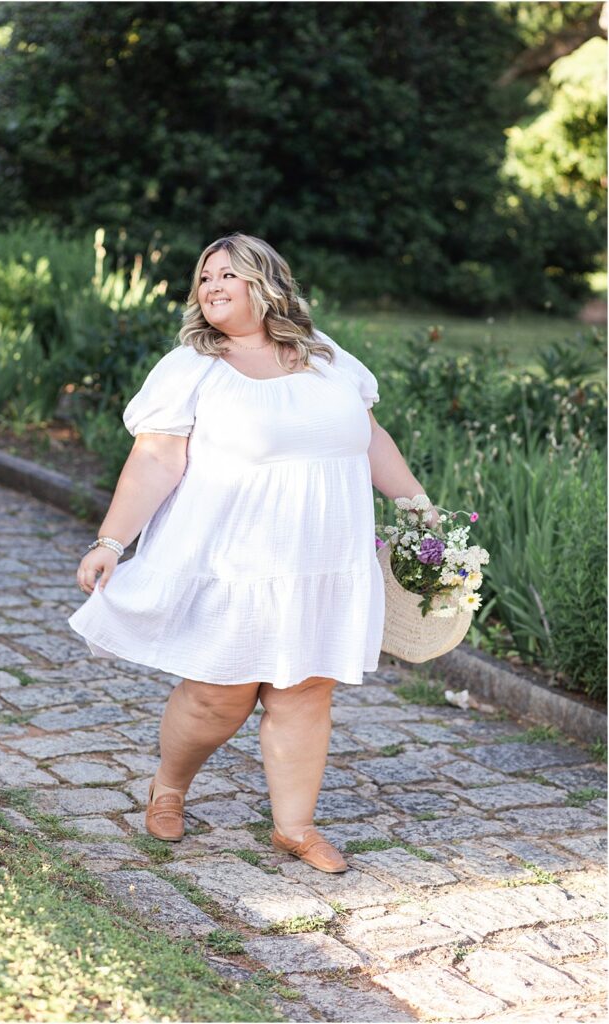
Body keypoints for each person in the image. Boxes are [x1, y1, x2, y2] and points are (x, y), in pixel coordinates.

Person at [68, 233, 439, 874]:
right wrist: (111, 541)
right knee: (221, 694)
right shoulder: (192, 367)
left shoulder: (328, 360)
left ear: (266, 284)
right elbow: (155, 460)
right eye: (204, 277)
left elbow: (369, 438)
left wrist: (421, 510)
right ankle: (171, 785)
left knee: (305, 689)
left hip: (321, 559)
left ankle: (294, 828)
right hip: (232, 563)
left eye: (226, 275)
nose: (210, 286)